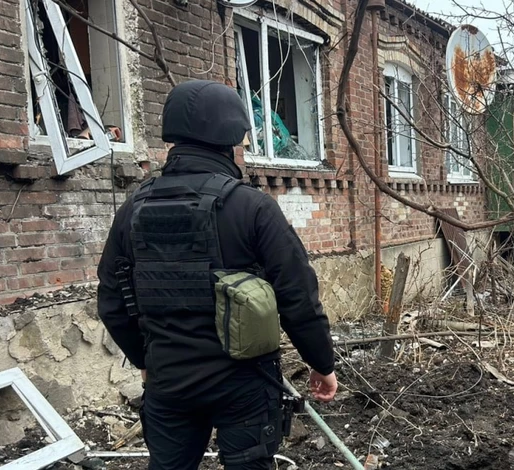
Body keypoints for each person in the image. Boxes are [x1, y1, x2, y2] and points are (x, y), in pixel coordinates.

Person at [97, 80, 337, 470]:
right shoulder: (253, 208)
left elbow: (111, 301)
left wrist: (145, 360)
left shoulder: (132, 209)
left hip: (169, 382)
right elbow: (298, 297)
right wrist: (321, 363)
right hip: (244, 384)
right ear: (231, 136)